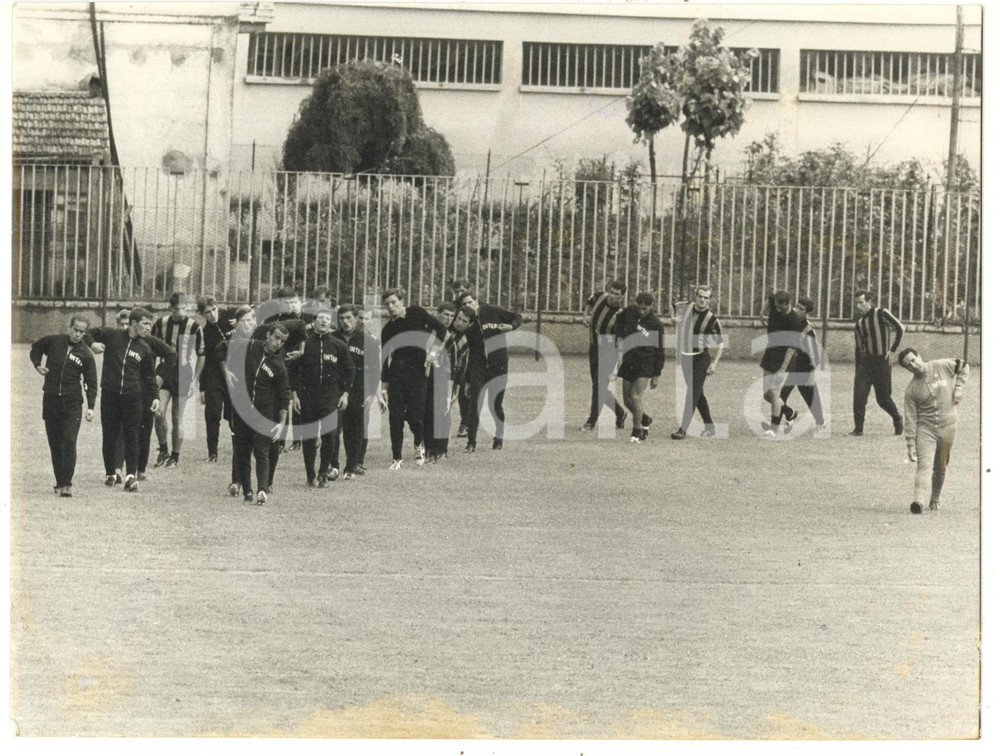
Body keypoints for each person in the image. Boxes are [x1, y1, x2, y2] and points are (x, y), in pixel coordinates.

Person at [88, 307, 165, 492]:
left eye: (150, 324)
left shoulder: (145, 348)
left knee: (132, 435)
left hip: (133, 397)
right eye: (145, 324)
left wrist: (155, 396)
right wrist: (92, 345)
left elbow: (149, 376)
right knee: (110, 435)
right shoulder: (113, 335)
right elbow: (89, 332)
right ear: (133, 323)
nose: (148, 328)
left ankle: (131, 476)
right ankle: (110, 474)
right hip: (110, 395)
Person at [222, 320, 290, 505]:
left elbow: (285, 396)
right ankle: (247, 491)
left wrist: (281, 423)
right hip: (242, 411)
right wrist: (226, 371)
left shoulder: (278, 365)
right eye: (276, 337)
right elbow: (221, 348)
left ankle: (262, 490)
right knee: (242, 451)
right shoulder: (249, 347)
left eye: (282, 341)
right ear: (267, 335)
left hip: (264, 415)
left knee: (262, 452)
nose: (278, 343)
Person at [29, 316, 98, 497]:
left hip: (72, 403)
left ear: (85, 333)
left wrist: (91, 406)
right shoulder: (54, 341)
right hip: (51, 400)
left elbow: (91, 382)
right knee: (55, 443)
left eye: (82, 332)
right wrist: (38, 365)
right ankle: (59, 482)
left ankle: (67, 484)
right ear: (69, 327)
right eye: (75, 329)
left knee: (69, 440)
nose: (77, 334)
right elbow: (35, 348)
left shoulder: (86, 354)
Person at [379, 288, 448, 469]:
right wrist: (384, 387)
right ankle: (397, 458)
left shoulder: (416, 313)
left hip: (418, 371)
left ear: (402, 301)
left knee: (416, 416)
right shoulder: (387, 329)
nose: (391, 307)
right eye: (387, 304)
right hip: (396, 373)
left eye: (394, 302)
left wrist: (433, 353)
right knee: (395, 416)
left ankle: (419, 442)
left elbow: (441, 329)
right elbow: (385, 358)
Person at [288, 306, 354, 487]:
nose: (324, 321)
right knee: (308, 436)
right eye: (320, 318)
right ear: (314, 321)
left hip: (330, 396)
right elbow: (292, 371)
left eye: (327, 319)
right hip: (307, 395)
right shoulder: (304, 345)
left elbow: (350, 371)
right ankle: (310, 474)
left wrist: (345, 394)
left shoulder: (338, 345)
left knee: (330, 434)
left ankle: (323, 472)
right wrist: (295, 396)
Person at [898, 348, 969, 513]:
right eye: (909, 365)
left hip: (948, 426)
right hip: (926, 430)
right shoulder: (912, 390)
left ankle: (935, 498)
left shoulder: (941, 366)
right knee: (924, 465)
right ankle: (918, 501)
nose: (913, 366)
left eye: (913, 360)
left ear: (919, 356)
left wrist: (958, 387)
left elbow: (964, 366)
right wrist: (910, 444)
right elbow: (910, 418)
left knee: (941, 466)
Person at [457, 292, 522, 450]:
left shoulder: (492, 311)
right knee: (475, 403)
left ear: (476, 301)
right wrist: (466, 380)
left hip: (498, 366)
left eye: (470, 302)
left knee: (495, 404)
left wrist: (511, 326)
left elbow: (517, 316)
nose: (468, 306)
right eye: (464, 304)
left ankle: (498, 437)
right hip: (478, 367)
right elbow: (468, 352)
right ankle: (471, 442)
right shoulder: (467, 324)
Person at [151, 292, 205, 468]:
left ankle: (174, 457)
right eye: (176, 309)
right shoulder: (160, 324)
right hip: (165, 370)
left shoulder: (195, 327)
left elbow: (202, 354)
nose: (180, 312)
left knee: (177, 417)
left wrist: (195, 380)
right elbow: (150, 347)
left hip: (183, 373)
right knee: (158, 413)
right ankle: (163, 450)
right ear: (170, 308)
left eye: (183, 308)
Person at [670, 285, 724, 440]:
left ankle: (682, 429)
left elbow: (720, 343)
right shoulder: (685, 308)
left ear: (710, 300)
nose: (702, 300)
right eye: (700, 296)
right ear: (695, 296)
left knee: (692, 393)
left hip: (701, 359)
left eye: (706, 297)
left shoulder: (712, 319)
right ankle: (710, 426)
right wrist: (673, 318)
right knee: (697, 394)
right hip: (685, 357)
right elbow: (672, 306)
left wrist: (714, 363)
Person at [851, 290, 905, 436]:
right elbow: (858, 348)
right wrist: (858, 370)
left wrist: (892, 351)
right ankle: (858, 429)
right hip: (866, 364)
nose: (858, 306)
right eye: (856, 303)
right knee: (858, 396)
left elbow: (900, 328)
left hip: (882, 362)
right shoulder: (859, 324)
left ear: (869, 302)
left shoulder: (881, 313)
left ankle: (897, 419)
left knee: (883, 399)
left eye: (861, 302)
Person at [336, 303, 380, 480]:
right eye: (342, 318)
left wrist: (370, 393)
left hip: (358, 390)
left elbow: (374, 369)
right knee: (335, 429)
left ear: (356, 319)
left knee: (356, 429)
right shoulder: (332, 337)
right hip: (337, 389)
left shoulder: (368, 341)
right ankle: (333, 464)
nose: (345, 322)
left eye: (349, 318)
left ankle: (353, 464)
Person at [614, 293, 664, 443]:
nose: (642, 311)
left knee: (636, 396)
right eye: (640, 308)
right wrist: (619, 337)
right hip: (629, 359)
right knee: (627, 399)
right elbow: (618, 321)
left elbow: (660, 350)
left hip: (646, 362)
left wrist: (656, 374)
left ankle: (637, 431)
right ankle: (645, 419)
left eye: (645, 308)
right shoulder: (629, 312)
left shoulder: (656, 324)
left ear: (651, 306)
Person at [581, 280, 628, 432]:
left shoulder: (620, 314)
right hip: (593, 347)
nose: (613, 296)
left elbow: (620, 338)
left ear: (622, 297)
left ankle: (591, 420)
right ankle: (620, 413)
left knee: (599, 385)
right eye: (612, 292)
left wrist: (620, 357)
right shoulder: (600, 296)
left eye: (617, 294)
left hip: (609, 351)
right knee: (597, 385)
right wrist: (585, 315)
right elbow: (589, 301)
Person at [197, 296, 239, 462]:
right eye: (208, 312)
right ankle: (212, 453)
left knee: (233, 414)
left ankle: (240, 448)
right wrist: (202, 388)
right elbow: (205, 360)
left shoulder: (231, 315)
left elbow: (252, 314)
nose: (213, 315)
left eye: (214, 310)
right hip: (215, 375)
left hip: (235, 372)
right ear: (202, 314)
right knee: (212, 413)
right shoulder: (205, 333)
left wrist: (241, 321)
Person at [777, 296, 827, 433]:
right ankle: (785, 419)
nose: (796, 310)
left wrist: (811, 373)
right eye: (797, 306)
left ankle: (820, 422)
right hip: (792, 368)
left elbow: (815, 356)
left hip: (804, 369)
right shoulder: (791, 322)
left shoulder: (808, 330)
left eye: (801, 309)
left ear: (807, 313)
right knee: (781, 396)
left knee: (811, 397)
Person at [758, 290, 800, 438]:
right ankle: (790, 412)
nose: (775, 309)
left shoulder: (794, 320)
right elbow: (768, 301)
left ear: (787, 304)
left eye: (778, 307)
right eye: (774, 305)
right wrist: (762, 313)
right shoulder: (774, 302)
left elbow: (791, 348)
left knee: (775, 393)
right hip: (770, 352)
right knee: (766, 394)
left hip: (783, 358)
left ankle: (773, 428)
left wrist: (783, 369)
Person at [425, 302, 458, 462]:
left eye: (452, 316)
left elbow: (454, 364)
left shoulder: (449, 338)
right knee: (427, 414)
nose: (448, 319)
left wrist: (453, 386)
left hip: (442, 379)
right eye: (445, 315)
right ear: (438, 314)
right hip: (425, 378)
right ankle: (429, 447)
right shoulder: (427, 331)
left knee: (442, 413)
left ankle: (440, 449)